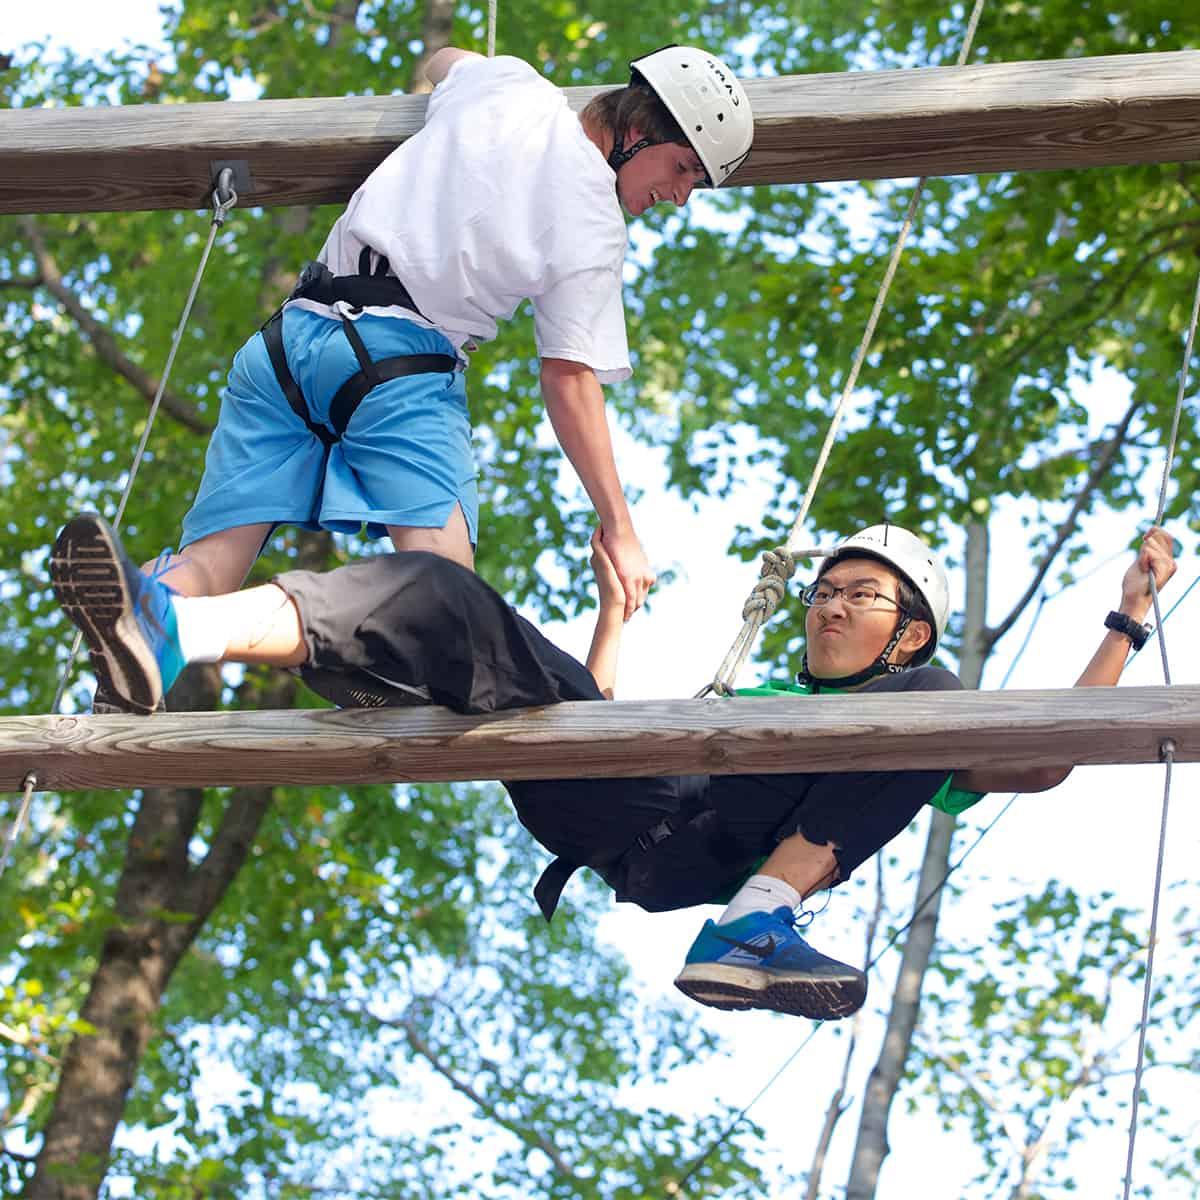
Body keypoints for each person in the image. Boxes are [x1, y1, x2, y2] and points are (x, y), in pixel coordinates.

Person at [48, 513, 1178, 1021]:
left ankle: (756, 925)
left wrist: (1124, 625)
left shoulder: (904, 715)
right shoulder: (762, 704)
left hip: (709, 850)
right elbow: (592, 731)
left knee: (931, 720)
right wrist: (609, 621)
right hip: (627, 804)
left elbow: (1044, 759)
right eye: (826, 590)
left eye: (861, 595)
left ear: (908, 630)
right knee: (440, 594)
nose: (832, 606)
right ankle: (172, 634)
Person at [58, 44, 755, 714]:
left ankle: (149, 619)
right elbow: (570, 379)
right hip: (398, 367)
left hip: (287, 345)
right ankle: (219, 634)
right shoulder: (595, 223)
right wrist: (619, 527)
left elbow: (443, 62)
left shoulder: (510, 85)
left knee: (212, 562)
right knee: (447, 604)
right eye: (685, 168)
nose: (681, 195)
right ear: (635, 130)